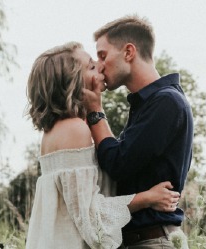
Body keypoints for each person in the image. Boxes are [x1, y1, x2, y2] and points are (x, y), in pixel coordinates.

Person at [24, 41, 181, 249]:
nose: (100, 66)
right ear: (73, 83)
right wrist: (147, 198)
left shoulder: (61, 129)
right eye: (90, 66)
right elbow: (91, 217)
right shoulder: (74, 130)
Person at [82, 15, 194, 248]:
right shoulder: (150, 104)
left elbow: (118, 164)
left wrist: (94, 112)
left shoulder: (166, 103)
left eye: (103, 55)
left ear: (129, 52)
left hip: (152, 240)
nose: (99, 65)